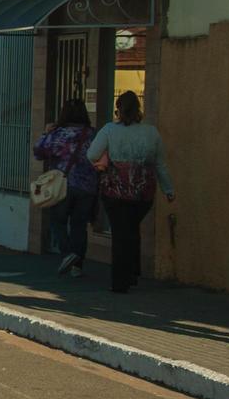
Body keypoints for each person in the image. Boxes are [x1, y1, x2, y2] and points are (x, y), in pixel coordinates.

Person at [87, 91, 174, 293]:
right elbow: (160, 165)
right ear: (138, 109)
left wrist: (104, 161)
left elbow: (92, 154)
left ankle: (120, 281)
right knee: (132, 229)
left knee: (120, 234)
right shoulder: (151, 133)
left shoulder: (109, 130)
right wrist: (168, 189)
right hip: (142, 192)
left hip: (115, 190)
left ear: (118, 108)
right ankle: (134, 272)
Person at [34, 97, 99, 277]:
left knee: (57, 221)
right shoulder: (92, 134)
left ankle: (67, 253)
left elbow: (39, 152)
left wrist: (45, 133)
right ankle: (77, 266)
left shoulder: (58, 134)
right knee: (79, 225)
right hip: (87, 186)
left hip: (62, 186)